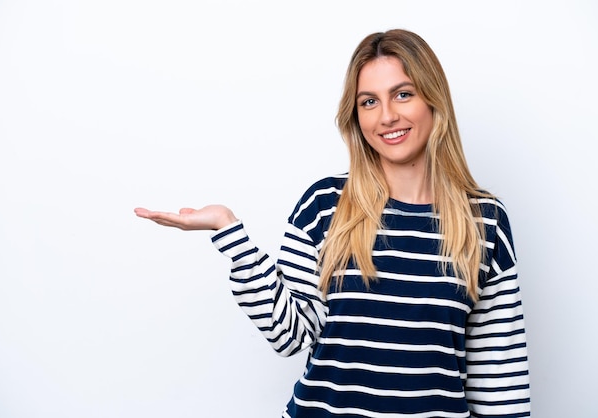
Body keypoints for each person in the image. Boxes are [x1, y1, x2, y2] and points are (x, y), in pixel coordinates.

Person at [135, 29, 530, 418]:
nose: (387, 115)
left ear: (433, 99)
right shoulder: (325, 207)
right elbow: (291, 335)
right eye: (369, 101)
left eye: (403, 94)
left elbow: (500, 384)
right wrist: (228, 230)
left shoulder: (484, 222)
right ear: (355, 116)